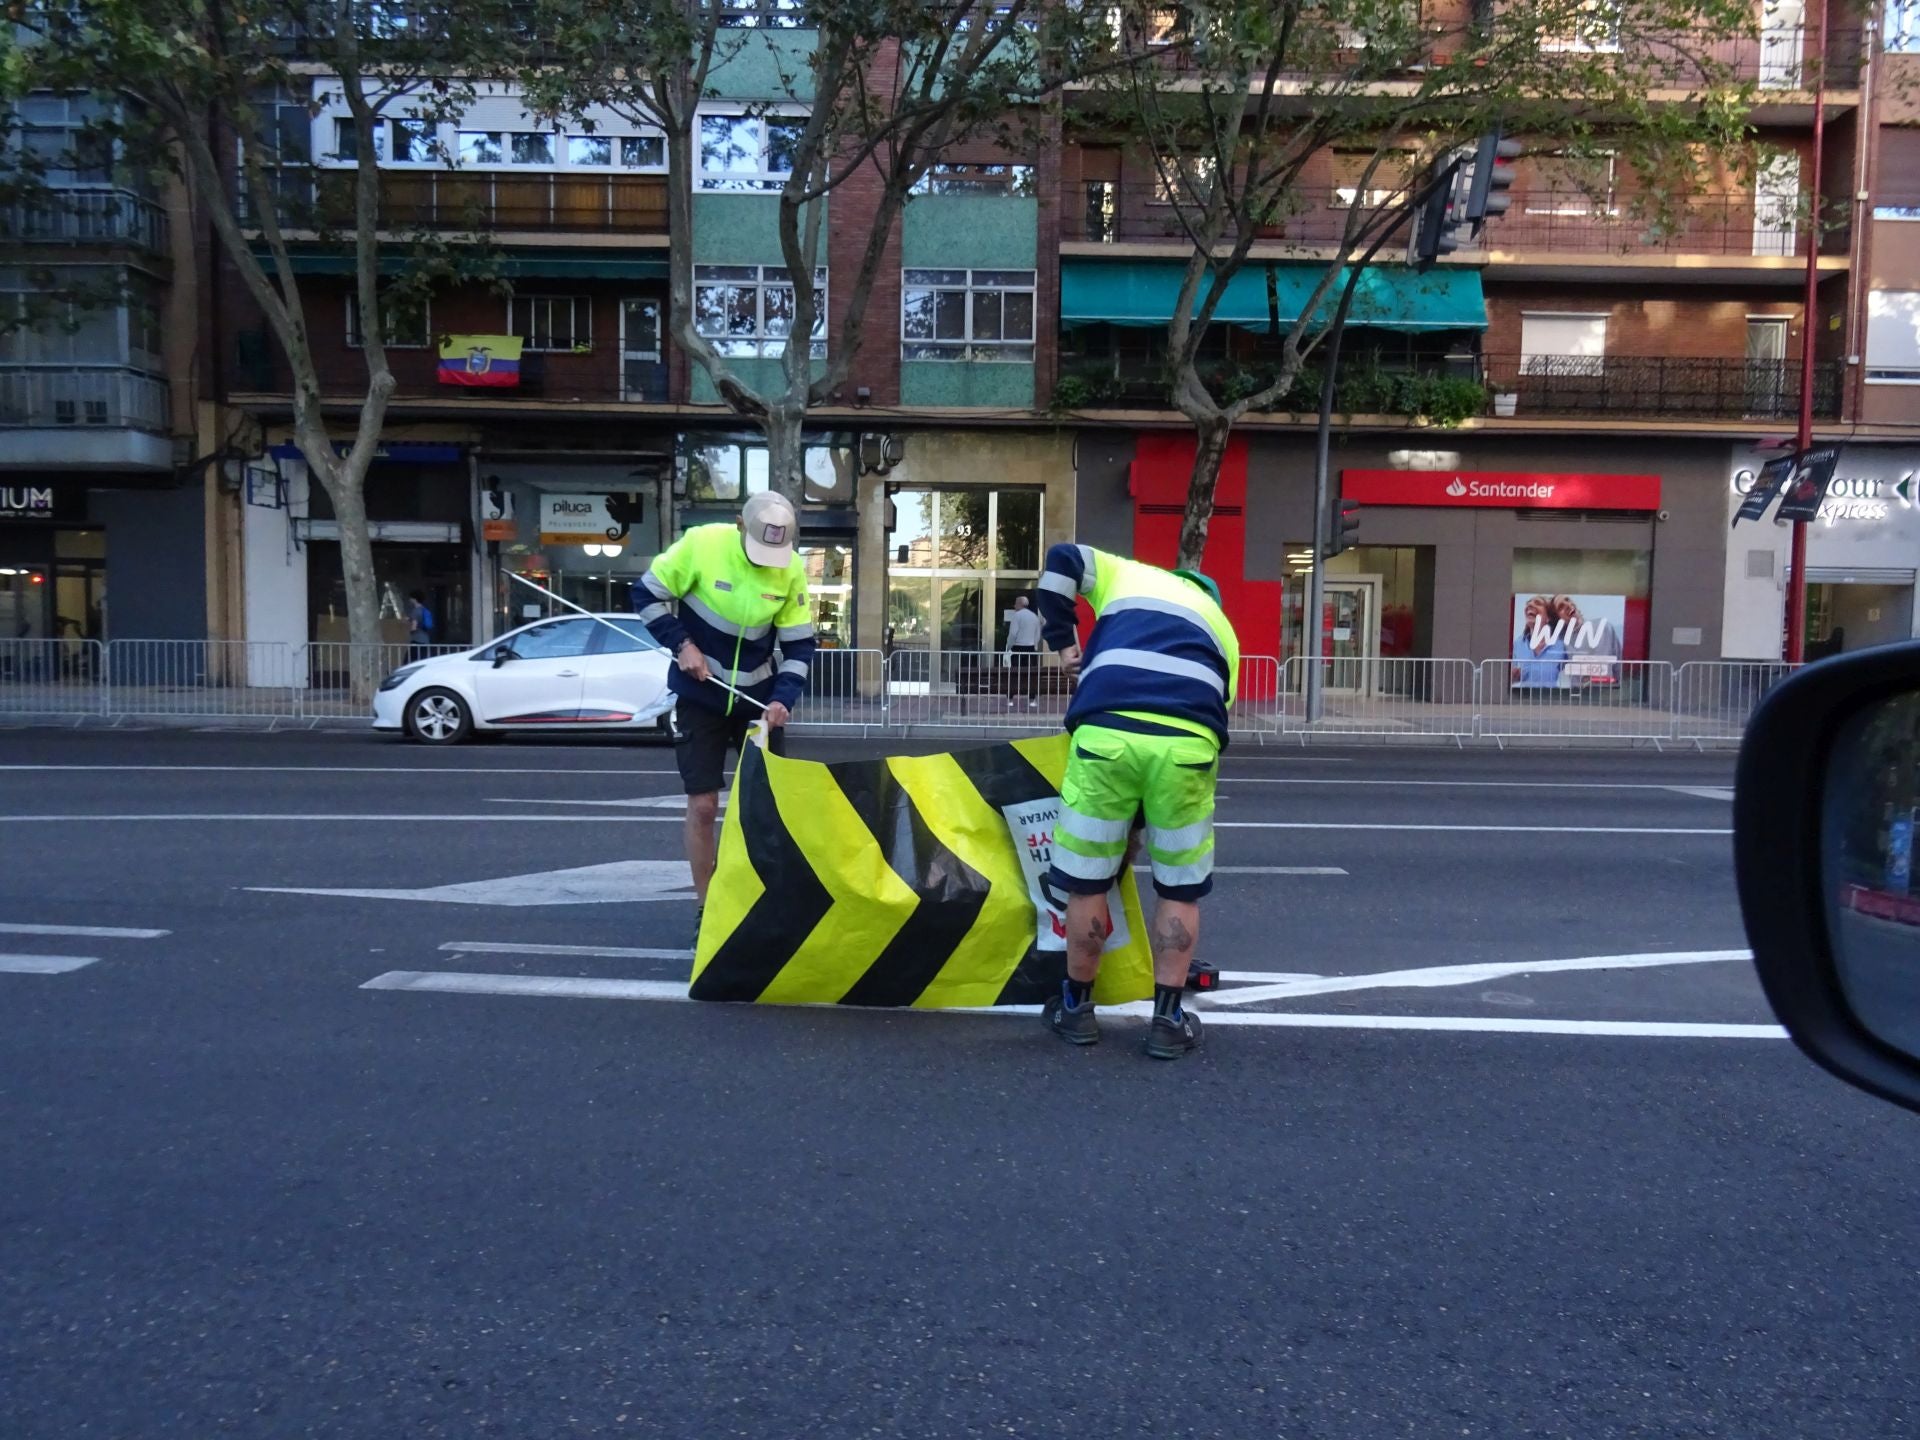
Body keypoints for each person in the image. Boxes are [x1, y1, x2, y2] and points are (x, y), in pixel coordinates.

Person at [1033, 543, 1240, 1060]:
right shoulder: (1225, 632)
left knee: (1086, 882)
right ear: (1210, 598)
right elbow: (1214, 711)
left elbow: (1059, 561)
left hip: (1106, 734)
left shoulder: (1128, 575)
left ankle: (1076, 1010)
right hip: (1187, 743)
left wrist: (1064, 644)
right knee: (1180, 886)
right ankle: (1168, 1021)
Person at [634, 491, 815, 921]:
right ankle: (707, 909)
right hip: (701, 697)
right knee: (703, 806)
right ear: (740, 525)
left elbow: (799, 647)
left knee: (766, 808)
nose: (767, 560)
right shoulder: (701, 544)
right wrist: (682, 645)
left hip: (759, 702)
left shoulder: (790, 569)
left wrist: (782, 699)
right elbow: (645, 595)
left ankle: (763, 908)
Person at [1003, 593, 1043, 710]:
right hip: (1030, 649)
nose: (1014, 605)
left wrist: (1008, 647)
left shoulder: (1017, 616)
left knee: (1014, 674)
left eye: (1015, 603)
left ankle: (1010, 699)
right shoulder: (1034, 617)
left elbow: (1013, 634)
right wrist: (1034, 645)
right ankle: (1032, 699)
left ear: (1020, 604)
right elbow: (1038, 635)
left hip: (1018, 648)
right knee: (1031, 675)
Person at [406, 590, 434, 659]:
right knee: (422, 660)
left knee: (409, 660)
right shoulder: (424, 609)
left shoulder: (415, 611)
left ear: (414, 599)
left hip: (417, 640)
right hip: (425, 639)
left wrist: (407, 631)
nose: (409, 600)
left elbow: (414, 627)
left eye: (411, 598)